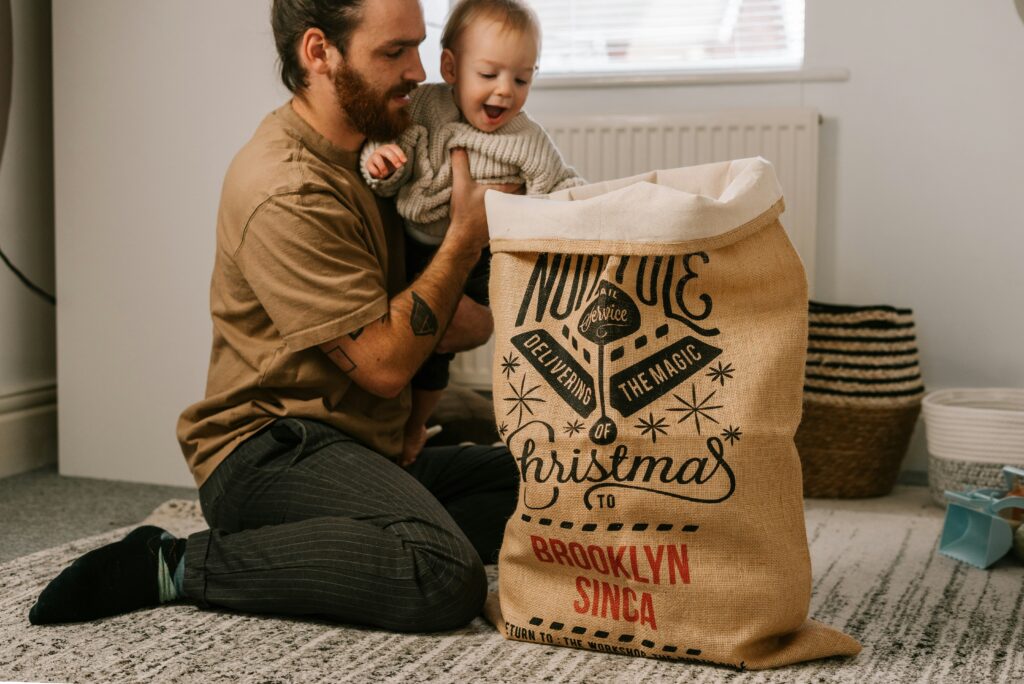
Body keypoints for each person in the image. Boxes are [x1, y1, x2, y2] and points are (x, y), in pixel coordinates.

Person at [28, 0, 520, 633]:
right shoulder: (285, 187)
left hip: (361, 438)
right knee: (443, 575)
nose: (419, 71)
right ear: (319, 53)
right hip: (267, 449)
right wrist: (463, 239)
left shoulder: (389, 157)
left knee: (548, 479)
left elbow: (472, 323)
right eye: (393, 52)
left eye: (417, 47)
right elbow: (385, 364)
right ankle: (172, 563)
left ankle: (369, 531)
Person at [361, 0, 585, 453]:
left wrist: (587, 203)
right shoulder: (424, 107)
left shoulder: (525, 139)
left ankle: (417, 428)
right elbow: (390, 151)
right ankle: (402, 427)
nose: (505, 91)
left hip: (482, 255)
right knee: (413, 339)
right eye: (489, 75)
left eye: (521, 79)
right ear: (450, 66)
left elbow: (558, 184)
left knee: (456, 344)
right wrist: (379, 164)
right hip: (416, 242)